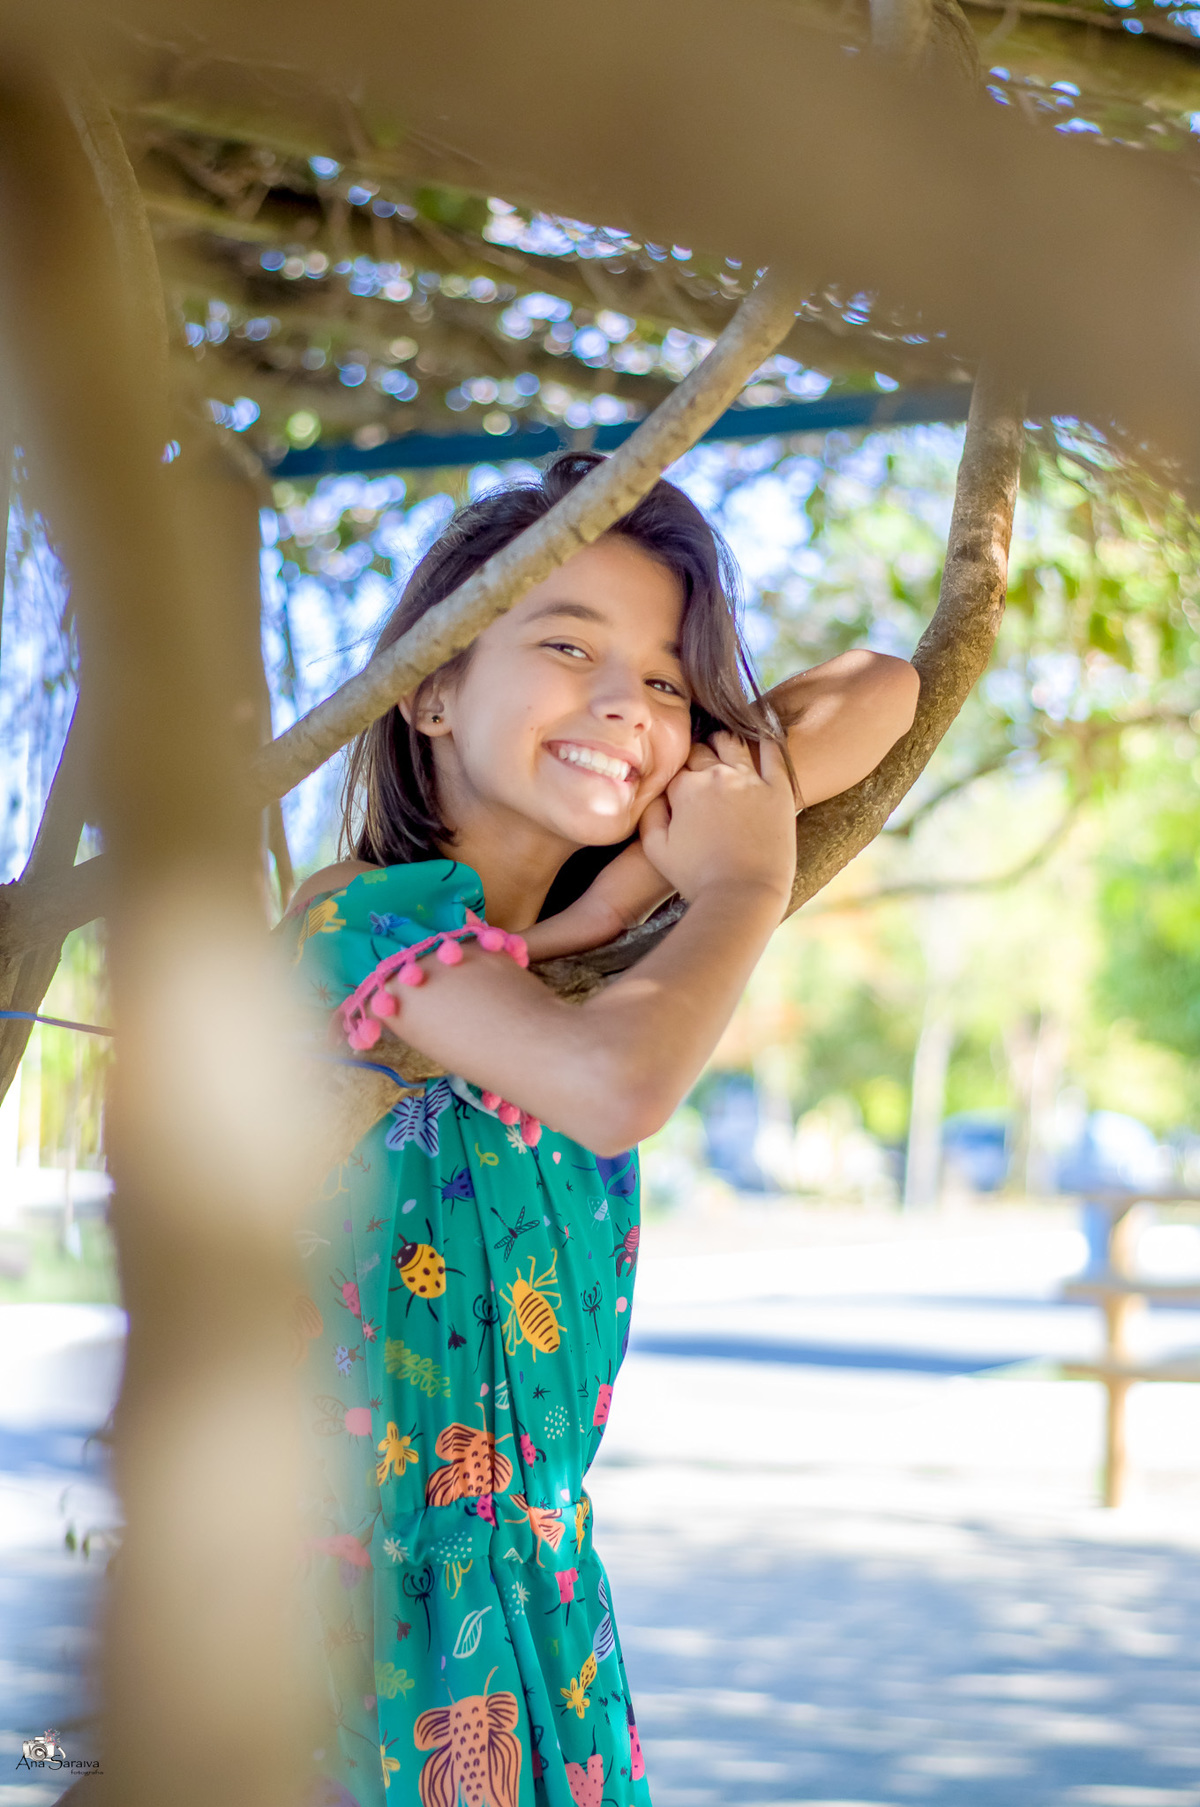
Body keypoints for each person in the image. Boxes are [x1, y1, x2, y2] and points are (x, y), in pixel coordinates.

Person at [282, 452, 918, 1807]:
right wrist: (742, 876)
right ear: (434, 689)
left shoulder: (603, 950)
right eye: (568, 647)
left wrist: (612, 895)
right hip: (337, 1616)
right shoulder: (357, 916)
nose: (625, 704)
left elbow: (885, 689)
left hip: (545, 1605)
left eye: (667, 683)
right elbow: (611, 1085)